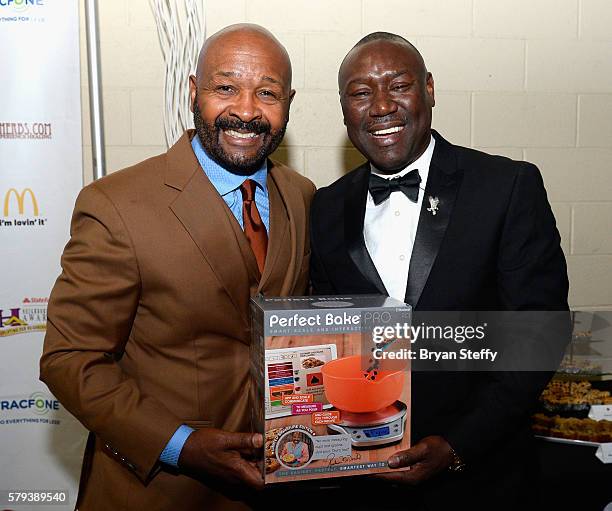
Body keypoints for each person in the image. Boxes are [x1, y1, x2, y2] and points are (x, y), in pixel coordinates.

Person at [40, 24, 315, 511]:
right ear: (193, 91)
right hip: (154, 490)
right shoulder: (117, 205)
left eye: (267, 93)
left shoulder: (302, 196)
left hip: (277, 486)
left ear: (289, 101)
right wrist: (180, 445)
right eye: (226, 87)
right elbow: (71, 359)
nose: (247, 111)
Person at [309, 32, 569, 509]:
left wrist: (457, 444)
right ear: (344, 108)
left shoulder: (507, 186)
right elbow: (332, 339)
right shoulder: (326, 206)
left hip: (484, 477)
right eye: (361, 93)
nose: (381, 105)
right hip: (362, 473)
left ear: (428, 89)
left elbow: (540, 333)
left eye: (399, 85)